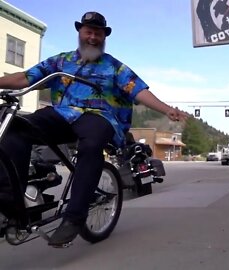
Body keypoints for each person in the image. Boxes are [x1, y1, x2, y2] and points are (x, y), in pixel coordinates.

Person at [0, 11, 187, 247]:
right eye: (89, 31)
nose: (93, 37)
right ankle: (10, 204)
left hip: (100, 116)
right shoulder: (60, 61)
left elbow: (138, 90)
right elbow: (25, 78)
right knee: (16, 127)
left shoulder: (114, 67)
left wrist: (167, 109)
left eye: (98, 33)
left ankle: (74, 217)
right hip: (62, 115)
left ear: (104, 37)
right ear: (80, 33)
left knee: (91, 144)